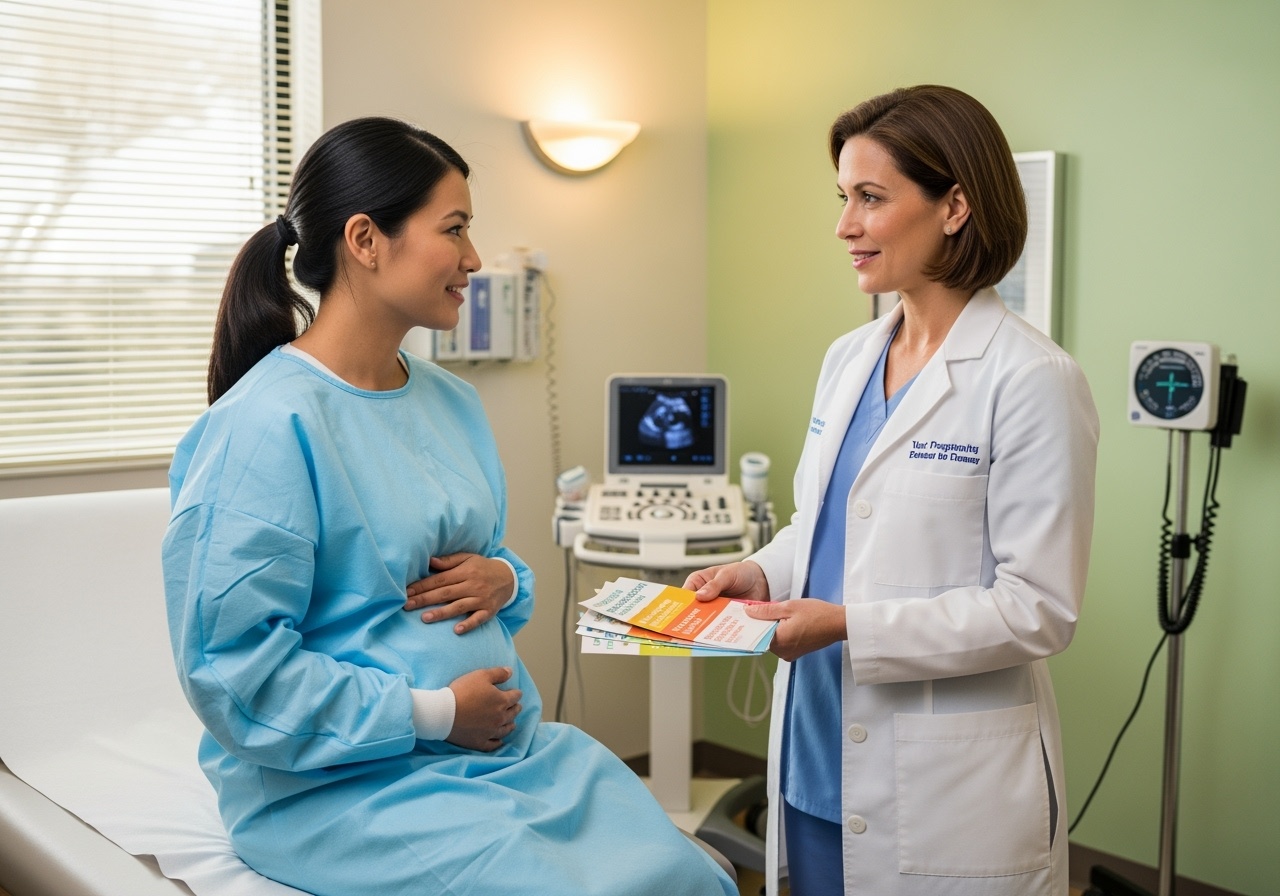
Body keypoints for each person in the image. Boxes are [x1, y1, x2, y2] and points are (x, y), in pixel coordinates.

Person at [162, 116, 736, 896]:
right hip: (340, 787)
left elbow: (477, 574)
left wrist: (504, 579)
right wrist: (434, 712)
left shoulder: (449, 401)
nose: (472, 259)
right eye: (455, 229)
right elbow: (236, 677)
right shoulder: (265, 427)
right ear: (366, 240)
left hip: (503, 754)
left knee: (687, 874)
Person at [684, 86, 1099, 896]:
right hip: (813, 744)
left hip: (940, 777)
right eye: (844, 198)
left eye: (870, 199)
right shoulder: (850, 357)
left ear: (955, 207)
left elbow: (1039, 607)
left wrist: (847, 625)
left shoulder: (1033, 379)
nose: (845, 226)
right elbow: (827, 524)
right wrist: (763, 572)